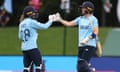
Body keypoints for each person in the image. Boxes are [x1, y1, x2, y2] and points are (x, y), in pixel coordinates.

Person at [56, 1, 99, 72]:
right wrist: (60, 19)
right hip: (81, 45)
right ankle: (90, 69)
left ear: (88, 9)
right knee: (79, 67)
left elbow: (96, 32)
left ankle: (90, 70)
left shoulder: (93, 19)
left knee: (82, 64)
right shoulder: (80, 19)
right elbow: (68, 24)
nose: (82, 9)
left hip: (89, 45)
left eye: (83, 8)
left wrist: (87, 39)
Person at [18, 6, 56, 72]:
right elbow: (44, 27)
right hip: (32, 47)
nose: (34, 14)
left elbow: (20, 37)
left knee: (26, 68)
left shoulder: (21, 23)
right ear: (29, 14)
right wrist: (51, 20)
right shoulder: (31, 22)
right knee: (39, 66)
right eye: (33, 13)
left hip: (24, 48)